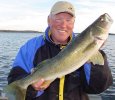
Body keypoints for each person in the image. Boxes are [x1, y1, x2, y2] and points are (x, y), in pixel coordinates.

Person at [8, 1, 113, 100]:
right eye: (58, 19)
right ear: (49, 20)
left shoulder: (90, 46)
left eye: (68, 20)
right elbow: (14, 78)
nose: (63, 25)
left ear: (73, 23)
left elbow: (98, 88)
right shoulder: (30, 47)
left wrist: (94, 57)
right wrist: (32, 87)